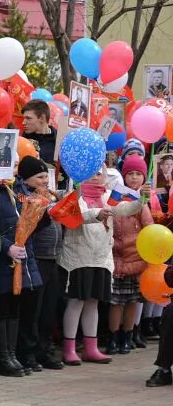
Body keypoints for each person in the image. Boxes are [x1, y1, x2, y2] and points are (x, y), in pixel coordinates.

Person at [58, 168, 142, 366]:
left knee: (93, 302)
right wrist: (97, 213)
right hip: (78, 257)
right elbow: (76, 216)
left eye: (100, 171)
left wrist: (141, 200)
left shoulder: (106, 195)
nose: (97, 175)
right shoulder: (74, 194)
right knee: (76, 302)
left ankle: (91, 347)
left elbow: (124, 208)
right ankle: (69, 347)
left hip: (101, 258)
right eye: (92, 171)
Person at [0, 158, 44, 376]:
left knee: (15, 307)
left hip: (22, 256)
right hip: (1, 258)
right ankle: (2, 356)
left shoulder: (18, 190)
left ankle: (12, 353)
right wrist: (7, 247)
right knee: (2, 306)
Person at [19, 157, 65, 370]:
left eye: (47, 176)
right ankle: (29, 352)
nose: (45, 180)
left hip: (53, 257)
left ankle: (45, 350)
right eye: (40, 177)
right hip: (36, 257)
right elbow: (28, 228)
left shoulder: (52, 195)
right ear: (27, 179)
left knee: (48, 309)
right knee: (33, 310)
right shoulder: (24, 197)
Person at [107, 156, 153, 354]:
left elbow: (149, 228)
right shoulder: (115, 197)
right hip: (116, 258)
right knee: (115, 302)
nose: (134, 178)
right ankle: (113, 337)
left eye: (138, 174)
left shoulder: (141, 203)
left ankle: (127, 335)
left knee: (132, 301)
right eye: (130, 173)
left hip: (135, 259)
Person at [21, 100, 56, 164]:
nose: (23, 123)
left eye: (28, 118)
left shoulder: (58, 139)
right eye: (24, 118)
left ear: (42, 118)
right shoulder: (22, 139)